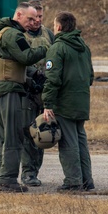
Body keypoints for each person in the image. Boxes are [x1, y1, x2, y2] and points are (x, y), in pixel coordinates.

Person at [0, 3, 48, 193]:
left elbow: (15, 64)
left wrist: (31, 80)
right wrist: (47, 48)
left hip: (1, 88)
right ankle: (7, 179)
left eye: (35, 19)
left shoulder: (2, 33)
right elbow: (26, 56)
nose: (33, 23)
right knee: (13, 137)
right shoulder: (13, 34)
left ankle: (1, 176)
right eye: (29, 19)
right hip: (10, 91)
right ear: (18, 15)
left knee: (2, 138)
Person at [42, 11, 95, 192]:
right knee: (81, 142)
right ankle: (87, 181)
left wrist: (48, 103)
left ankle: (73, 182)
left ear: (58, 27)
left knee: (68, 144)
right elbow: (90, 76)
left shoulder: (58, 48)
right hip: (81, 102)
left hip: (64, 103)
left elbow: (52, 79)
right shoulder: (84, 47)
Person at [20, 0, 54, 187]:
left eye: (40, 17)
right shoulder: (19, 34)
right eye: (33, 18)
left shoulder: (48, 34)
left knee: (42, 133)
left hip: (44, 91)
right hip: (26, 91)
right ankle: (27, 172)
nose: (37, 21)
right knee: (28, 132)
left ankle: (34, 171)